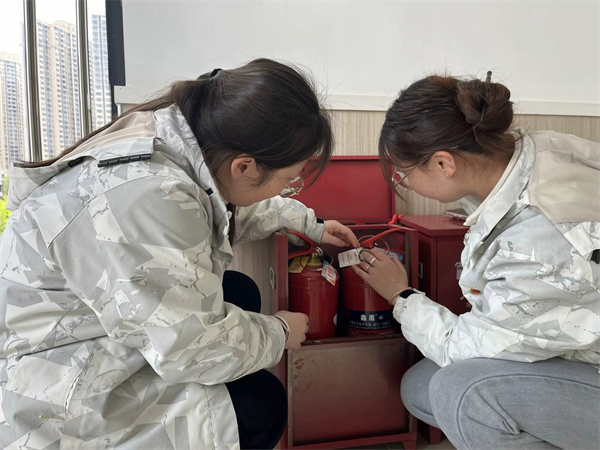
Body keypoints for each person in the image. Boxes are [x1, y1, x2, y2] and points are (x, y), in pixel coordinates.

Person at [0, 59, 359, 449]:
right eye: (289, 180)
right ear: (244, 166)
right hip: (48, 395)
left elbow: (217, 208)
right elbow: (189, 349)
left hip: (85, 330)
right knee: (261, 405)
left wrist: (309, 223)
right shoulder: (149, 197)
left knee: (237, 291)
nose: (288, 188)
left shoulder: (176, 140)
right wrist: (280, 332)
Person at [354, 72, 600, 449]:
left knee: (460, 393)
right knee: (421, 387)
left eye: (403, 175)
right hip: (579, 342)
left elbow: (469, 348)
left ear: (443, 164)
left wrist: (401, 296)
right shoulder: (542, 150)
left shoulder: (537, 238)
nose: (404, 183)